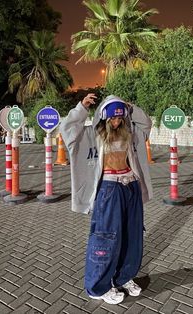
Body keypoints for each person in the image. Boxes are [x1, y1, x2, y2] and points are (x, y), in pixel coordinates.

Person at [60, 94, 153, 304]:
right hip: (108, 189)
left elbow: (146, 123)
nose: (116, 122)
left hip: (131, 186)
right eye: (112, 118)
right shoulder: (90, 135)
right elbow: (67, 129)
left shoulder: (130, 133)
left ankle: (124, 277)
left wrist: (130, 107)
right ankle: (98, 286)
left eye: (120, 118)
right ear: (103, 116)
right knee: (106, 237)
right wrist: (81, 108)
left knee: (133, 235)